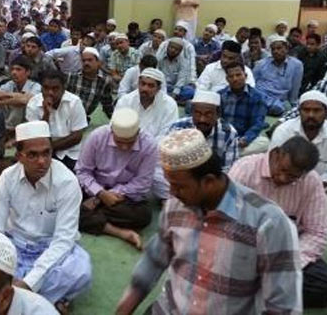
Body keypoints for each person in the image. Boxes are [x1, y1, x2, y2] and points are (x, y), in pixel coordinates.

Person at [115, 129, 302, 315]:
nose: (171, 192)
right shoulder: (175, 207)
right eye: (170, 184)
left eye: (179, 186)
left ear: (209, 182)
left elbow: (282, 306)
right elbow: (152, 264)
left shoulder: (268, 223)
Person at [0, 121, 92, 311]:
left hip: (50, 247)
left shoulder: (67, 182)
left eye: (46, 153)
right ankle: (48, 302)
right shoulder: (7, 178)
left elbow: (63, 240)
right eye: (33, 155)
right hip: (15, 245)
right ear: (19, 156)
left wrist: (28, 282)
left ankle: (15, 300)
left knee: (80, 269)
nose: (42, 161)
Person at [229, 136, 327, 308]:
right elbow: (226, 222)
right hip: (245, 248)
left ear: (304, 174)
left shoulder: (311, 181)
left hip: (286, 252)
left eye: (292, 176)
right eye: (282, 169)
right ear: (276, 154)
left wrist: (288, 264)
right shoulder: (245, 169)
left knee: (326, 285)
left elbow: (316, 232)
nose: (282, 178)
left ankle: (254, 294)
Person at [76, 108, 168, 249]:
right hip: (93, 188)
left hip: (122, 197)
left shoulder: (149, 145)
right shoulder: (97, 137)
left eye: (130, 142)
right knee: (64, 198)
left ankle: (84, 215)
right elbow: (83, 171)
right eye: (119, 142)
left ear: (138, 133)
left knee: (143, 216)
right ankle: (120, 232)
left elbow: (142, 183)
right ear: (112, 132)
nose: (124, 147)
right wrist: (99, 192)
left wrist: (103, 197)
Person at [275, 91, 327, 227]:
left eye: (317, 111)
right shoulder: (284, 130)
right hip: (287, 183)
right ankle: (308, 218)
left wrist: (311, 187)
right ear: (299, 111)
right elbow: (275, 166)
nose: (311, 115)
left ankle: (308, 219)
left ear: (326, 113)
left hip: (322, 190)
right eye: (306, 110)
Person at [26, 69, 88, 170]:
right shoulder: (33, 104)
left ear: (63, 89)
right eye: (46, 88)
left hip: (72, 152)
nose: (50, 93)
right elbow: (37, 136)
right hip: (42, 153)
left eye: (55, 88)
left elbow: (77, 136)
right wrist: (46, 114)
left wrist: (50, 147)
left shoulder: (74, 102)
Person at [167, 90, 239, 171]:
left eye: (208, 114)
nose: (202, 119)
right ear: (192, 112)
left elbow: (229, 170)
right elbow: (169, 163)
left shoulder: (228, 133)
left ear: (218, 115)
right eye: (198, 114)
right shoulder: (178, 128)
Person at [219, 62, 269, 155]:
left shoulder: (257, 97)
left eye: (238, 75)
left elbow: (257, 124)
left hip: (243, 139)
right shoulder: (220, 95)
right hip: (223, 137)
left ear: (245, 76)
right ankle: (232, 153)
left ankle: (227, 153)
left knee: (264, 143)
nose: (235, 79)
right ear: (227, 79)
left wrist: (245, 139)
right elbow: (217, 120)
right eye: (231, 76)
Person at [0, 56, 41, 140]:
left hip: (27, 125)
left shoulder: (35, 86)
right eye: (12, 69)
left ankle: (8, 132)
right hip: (8, 122)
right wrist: (11, 98)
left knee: (18, 105)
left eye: (18, 70)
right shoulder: (10, 84)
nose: (14, 72)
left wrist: (3, 99)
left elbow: (24, 100)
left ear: (28, 72)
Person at [115, 67, 179, 139]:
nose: (145, 89)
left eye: (150, 86)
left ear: (158, 88)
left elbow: (167, 135)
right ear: (138, 84)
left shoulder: (169, 105)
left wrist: (146, 145)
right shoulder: (126, 101)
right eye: (143, 84)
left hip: (156, 145)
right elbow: (116, 128)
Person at [253, 36, 303, 116]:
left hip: (279, 101)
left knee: (279, 108)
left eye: (279, 48)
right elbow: (253, 83)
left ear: (287, 49)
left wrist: (293, 104)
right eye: (273, 49)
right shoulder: (261, 63)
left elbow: (295, 88)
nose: (276, 51)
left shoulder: (296, 65)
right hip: (260, 96)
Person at [65, 47, 114, 119]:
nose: (86, 63)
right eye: (83, 60)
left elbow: (107, 105)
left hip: (83, 119)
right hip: (65, 115)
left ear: (98, 62)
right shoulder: (71, 77)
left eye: (90, 60)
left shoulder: (104, 81)